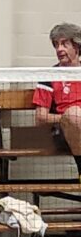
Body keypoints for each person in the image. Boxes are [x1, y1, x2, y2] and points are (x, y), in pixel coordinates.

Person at [32, 22, 81, 182]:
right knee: (74, 114)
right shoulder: (49, 76)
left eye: (64, 44)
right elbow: (41, 118)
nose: (59, 49)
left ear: (77, 46)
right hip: (64, 133)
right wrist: (69, 118)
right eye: (56, 45)